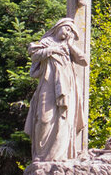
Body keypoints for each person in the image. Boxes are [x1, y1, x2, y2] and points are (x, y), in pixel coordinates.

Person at [25, 18, 87, 161]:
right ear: (58, 27)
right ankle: (41, 157)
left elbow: (84, 61)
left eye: (71, 31)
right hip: (48, 84)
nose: (68, 32)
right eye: (66, 28)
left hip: (66, 86)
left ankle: (59, 157)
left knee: (63, 120)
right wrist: (53, 49)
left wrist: (70, 46)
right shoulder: (47, 43)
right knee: (44, 118)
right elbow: (34, 55)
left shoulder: (68, 47)